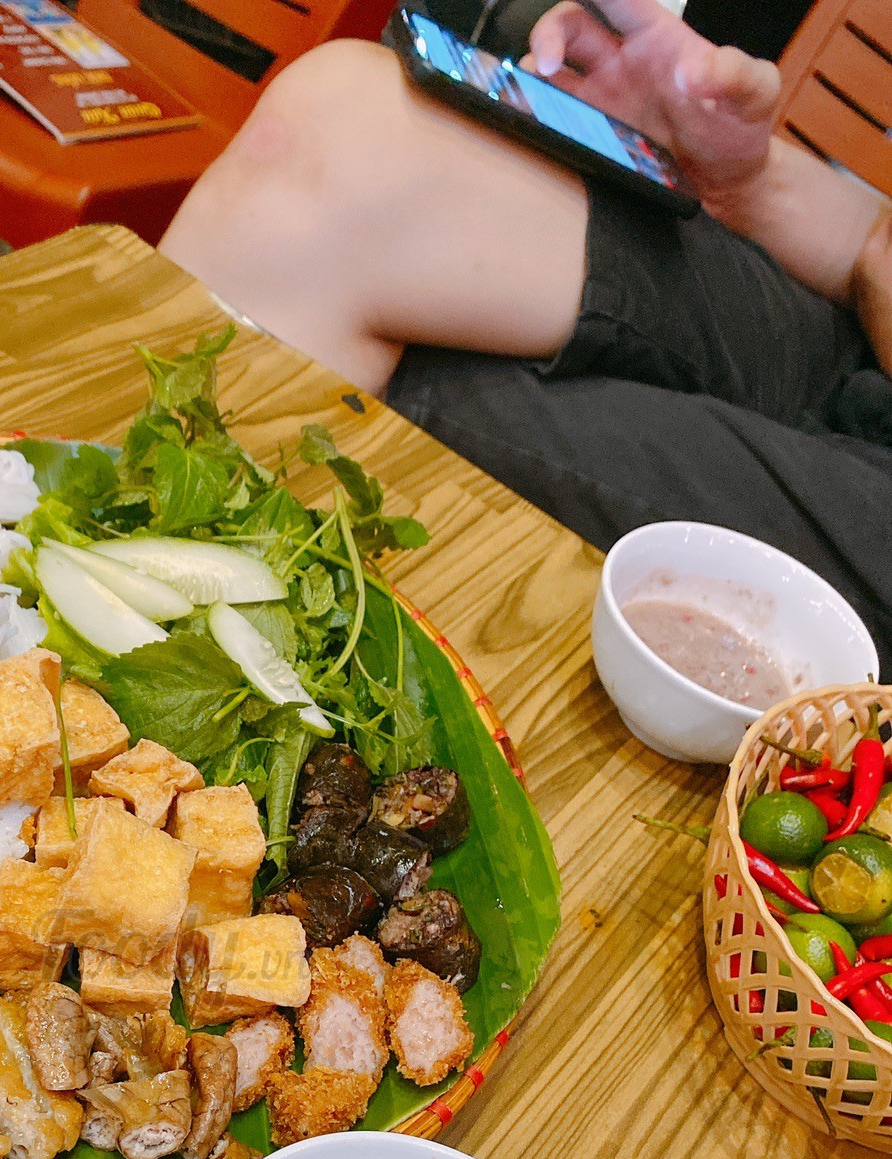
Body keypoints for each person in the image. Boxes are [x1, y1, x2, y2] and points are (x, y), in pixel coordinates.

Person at [159, 0, 892, 667]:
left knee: (378, 400)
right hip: (859, 332)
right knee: (336, 128)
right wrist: (749, 182)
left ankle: (168, 688)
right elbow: (875, 243)